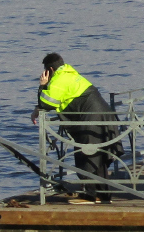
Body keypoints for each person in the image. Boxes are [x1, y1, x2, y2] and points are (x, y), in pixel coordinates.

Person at [31, 52, 121, 204]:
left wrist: (42, 86)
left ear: (50, 70)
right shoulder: (69, 73)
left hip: (91, 118)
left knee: (86, 155)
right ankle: (103, 196)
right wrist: (37, 108)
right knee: (98, 156)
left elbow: (47, 103)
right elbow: (58, 98)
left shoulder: (58, 80)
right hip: (102, 115)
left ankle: (90, 196)